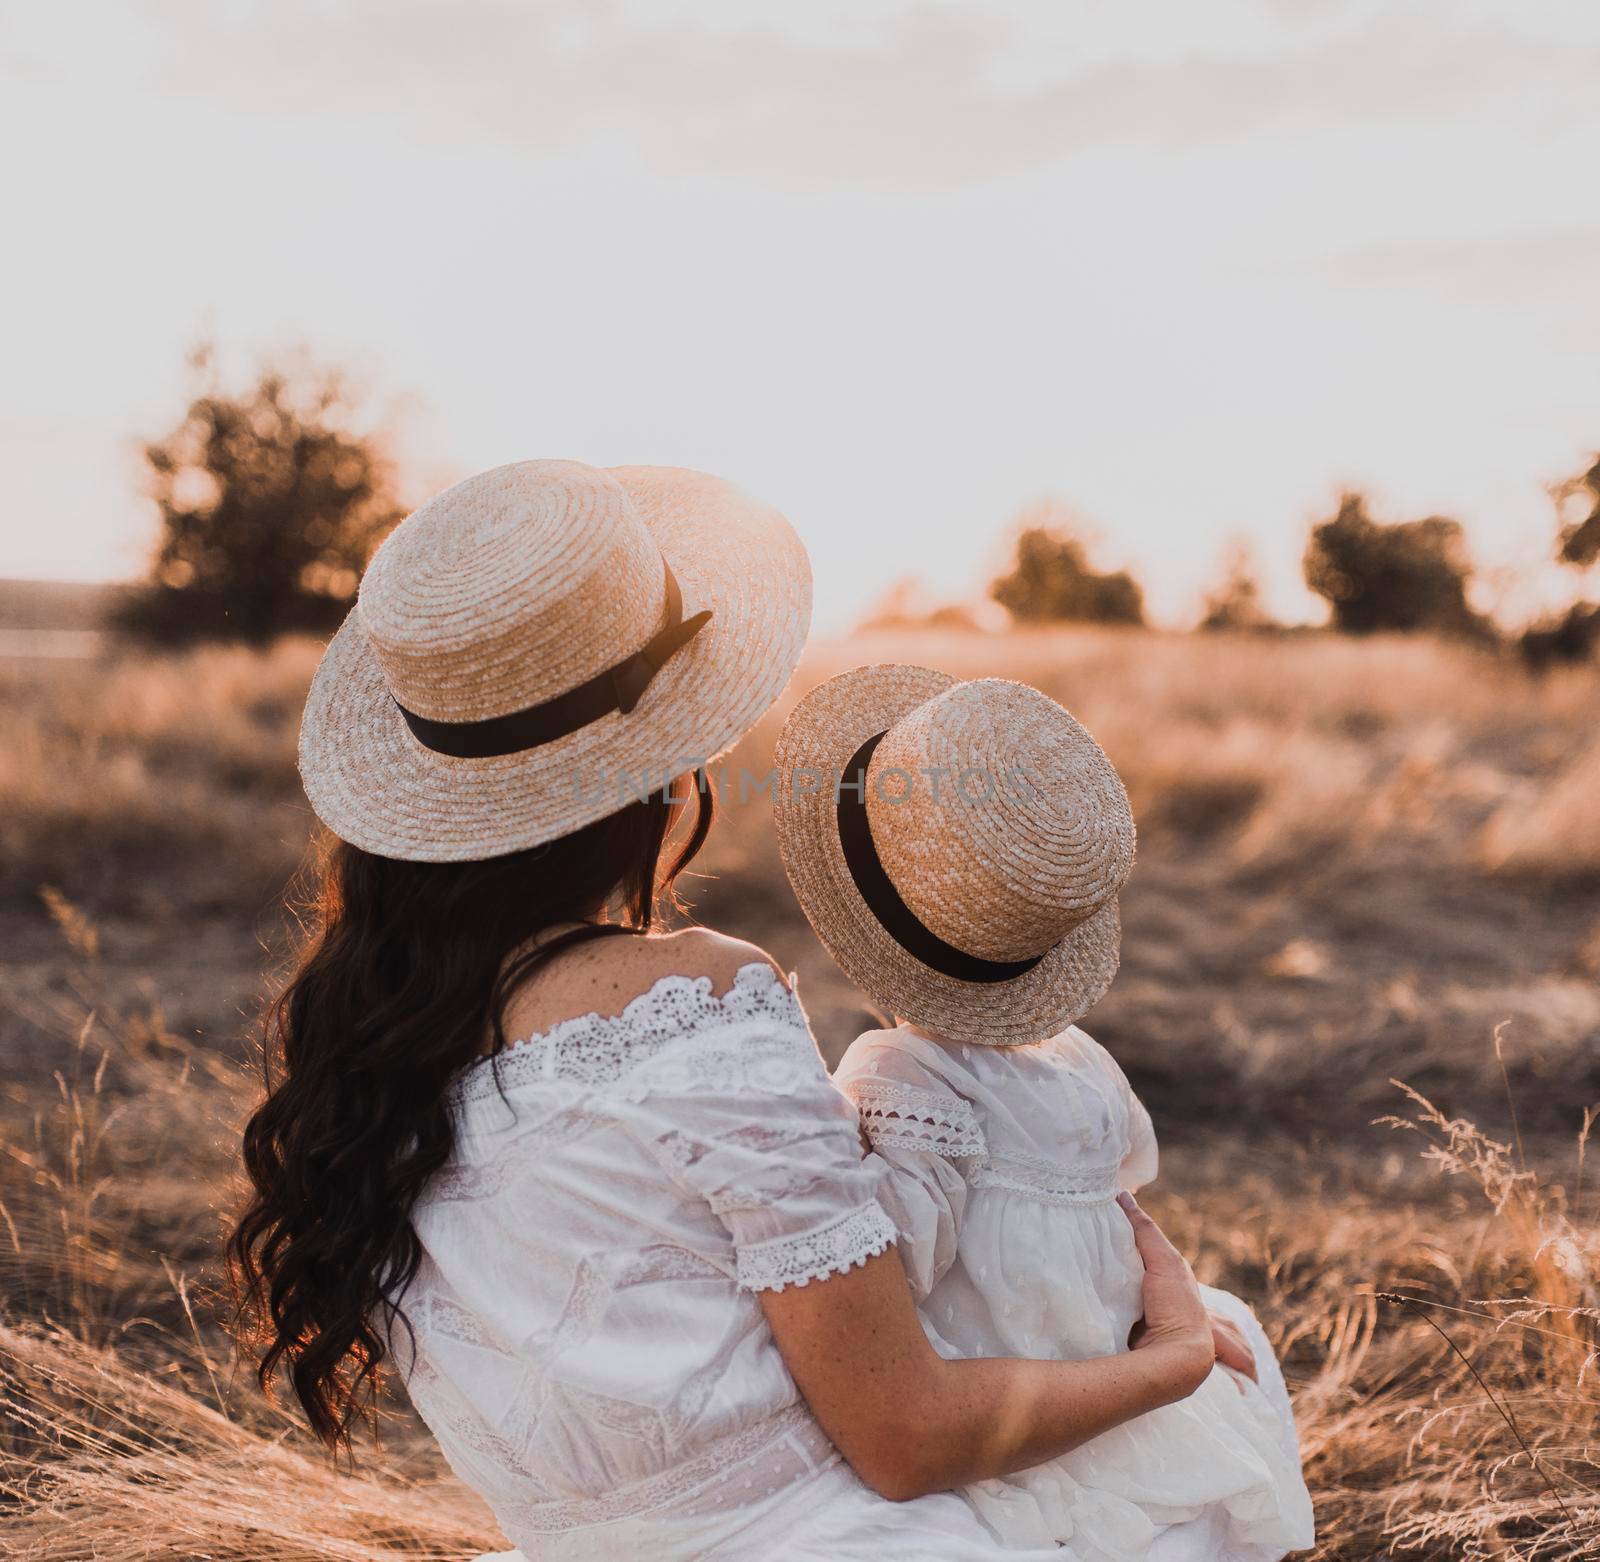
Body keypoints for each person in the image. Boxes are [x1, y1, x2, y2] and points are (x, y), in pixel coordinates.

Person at [229, 461, 1226, 1560]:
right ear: (655, 772)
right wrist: (1170, 1359)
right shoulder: (695, 1002)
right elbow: (905, 1432)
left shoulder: (361, 1063)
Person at [772, 663, 1317, 1560]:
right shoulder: (1078, 1060)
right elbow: (1123, 1195)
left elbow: (889, 1265)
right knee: (1237, 1336)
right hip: (1101, 1356)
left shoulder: (897, 1071)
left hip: (1007, 1400)